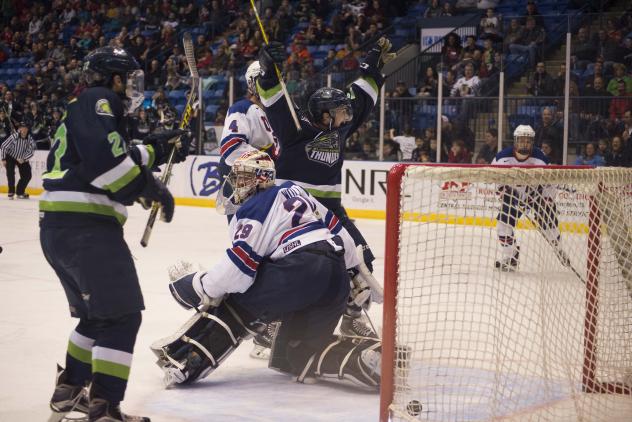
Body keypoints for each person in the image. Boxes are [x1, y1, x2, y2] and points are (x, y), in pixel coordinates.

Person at [40, 46, 189, 422]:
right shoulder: (99, 98)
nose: (132, 86)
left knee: (98, 318)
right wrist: (148, 188)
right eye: (129, 78)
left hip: (63, 229)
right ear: (115, 78)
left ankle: (68, 392)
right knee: (123, 316)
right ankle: (104, 409)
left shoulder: (86, 108)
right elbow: (107, 165)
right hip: (86, 231)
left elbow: (110, 155)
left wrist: (154, 148)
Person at [151, 151, 382, 389]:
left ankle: (186, 361)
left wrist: (197, 285)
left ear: (261, 179)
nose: (237, 184)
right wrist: (358, 275)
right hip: (335, 279)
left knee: (234, 305)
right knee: (296, 354)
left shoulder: (255, 206)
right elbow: (340, 231)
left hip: (298, 271)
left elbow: (238, 271)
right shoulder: (295, 190)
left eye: (243, 178)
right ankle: (363, 359)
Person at [255, 37, 395, 338]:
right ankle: (269, 320)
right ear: (324, 114)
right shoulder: (295, 129)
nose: (347, 117)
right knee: (291, 266)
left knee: (362, 259)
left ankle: (351, 316)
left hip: (331, 212)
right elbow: (275, 100)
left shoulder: (340, 130)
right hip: (295, 213)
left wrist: (372, 69)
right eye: (341, 112)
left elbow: (361, 101)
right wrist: (268, 68)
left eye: (345, 113)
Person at [215, 60, 280, 359]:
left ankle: (268, 328)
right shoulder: (242, 107)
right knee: (253, 260)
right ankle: (258, 331)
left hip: (261, 194)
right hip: (244, 193)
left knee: (271, 258)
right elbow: (230, 148)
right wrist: (266, 162)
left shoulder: (269, 114)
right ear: (254, 82)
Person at [491, 125, 570, 271]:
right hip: (513, 195)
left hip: (537, 195)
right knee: (502, 226)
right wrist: (502, 190)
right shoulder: (502, 157)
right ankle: (511, 256)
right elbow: (493, 177)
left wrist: (547, 198)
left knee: (549, 225)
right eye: (521, 141)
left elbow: (551, 181)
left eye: (527, 141)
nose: (524, 144)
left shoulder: (541, 158)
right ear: (515, 141)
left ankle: (558, 248)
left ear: (532, 142)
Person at [1, 120, 34, 199]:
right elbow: (3, 146)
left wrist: (24, 159)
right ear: (20, 129)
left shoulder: (29, 139)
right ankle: (11, 192)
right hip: (11, 157)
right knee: (10, 174)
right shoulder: (14, 136)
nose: (23, 129)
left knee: (27, 175)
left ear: (28, 129)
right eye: (22, 128)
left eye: (25, 128)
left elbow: (31, 151)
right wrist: (3, 159)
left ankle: (20, 192)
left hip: (22, 158)